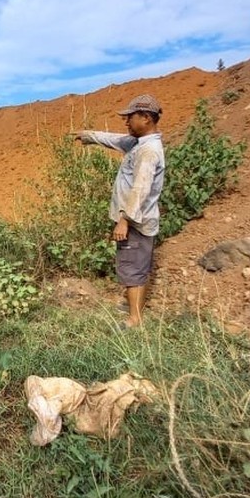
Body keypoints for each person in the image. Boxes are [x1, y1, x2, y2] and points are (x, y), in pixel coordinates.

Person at [72, 94, 165, 328]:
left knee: (133, 268)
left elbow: (140, 188)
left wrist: (124, 220)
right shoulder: (137, 143)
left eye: (130, 118)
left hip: (135, 222)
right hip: (137, 220)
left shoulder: (148, 151)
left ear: (145, 118)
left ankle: (134, 320)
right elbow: (113, 139)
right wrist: (89, 136)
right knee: (134, 264)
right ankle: (132, 307)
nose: (126, 122)